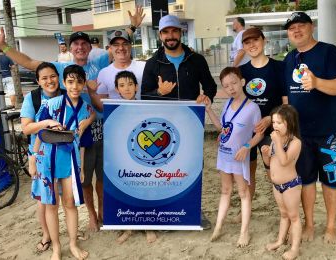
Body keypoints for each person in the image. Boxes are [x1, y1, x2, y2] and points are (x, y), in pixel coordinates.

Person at [0, 5, 146, 233]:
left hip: (99, 125)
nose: (80, 47)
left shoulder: (99, 61)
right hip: (73, 131)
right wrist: (3, 46)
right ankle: (91, 217)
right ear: (70, 49)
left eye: (84, 44)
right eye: (76, 44)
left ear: (90, 48)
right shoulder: (61, 68)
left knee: (103, 177)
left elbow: (118, 48)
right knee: (83, 179)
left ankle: (104, 213)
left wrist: (132, 27)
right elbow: (29, 62)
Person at [141, 14, 217, 229]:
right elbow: (144, 96)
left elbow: (210, 86)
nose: (171, 36)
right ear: (160, 35)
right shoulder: (153, 63)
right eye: (166, 32)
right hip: (162, 127)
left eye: (174, 31)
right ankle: (165, 212)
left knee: (192, 167)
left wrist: (206, 97)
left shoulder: (196, 59)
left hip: (191, 123)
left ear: (181, 33)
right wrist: (159, 92)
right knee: (164, 168)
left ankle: (193, 211)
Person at [283, 12, 336, 244]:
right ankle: (309, 224)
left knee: (332, 181)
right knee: (306, 181)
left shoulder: (329, 52)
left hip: (330, 132)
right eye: (291, 28)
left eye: (301, 26)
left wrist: (318, 82)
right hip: (301, 134)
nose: (296, 31)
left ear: (311, 27)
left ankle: (330, 226)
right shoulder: (290, 59)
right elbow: (287, 98)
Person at [29, 65, 93, 260]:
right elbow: (37, 132)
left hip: (71, 160)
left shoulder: (85, 108)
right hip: (47, 159)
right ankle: (56, 247)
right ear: (64, 83)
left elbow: (83, 142)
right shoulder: (51, 104)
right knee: (51, 204)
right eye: (70, 82)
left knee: (70, 203)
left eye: (79, 82)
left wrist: (80, 167)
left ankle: (73, 243)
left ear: (84, 84)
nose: (75, 86)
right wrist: (33, 159)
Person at [203, 67, 263, 246]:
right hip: (224, 155)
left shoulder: (253, 108)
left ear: (242, 82)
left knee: (244, 193)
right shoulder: (227, 104)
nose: (231, 88)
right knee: (225, 191)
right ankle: (218, 227)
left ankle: (244, 232)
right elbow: (223, 129)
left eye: (234, 83)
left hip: (239, 157)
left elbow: (259, 134)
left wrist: (247, 146)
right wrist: (209, 110)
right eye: (226, 86)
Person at [239, 27, 287, 215]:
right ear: (243, 46)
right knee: (248, 174)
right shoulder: (241, 71)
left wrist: (270, 118)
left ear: (264, 40)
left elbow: (285, 102)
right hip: (248, 131)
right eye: (247, 42)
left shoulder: (279, 67)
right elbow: (236, 101)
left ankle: (285, 212)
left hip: (271, 130)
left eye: (255, 40)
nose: (252, 45)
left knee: (274, 173)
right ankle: (246, 211)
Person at [110, 71, 157, 244]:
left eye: (130, 84)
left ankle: (148, 227)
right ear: (117, 89)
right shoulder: (114, 110)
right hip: (122, 158)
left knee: (145, 189)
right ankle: (128, 228)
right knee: (125, 191)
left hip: (142, 157)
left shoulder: (145, 107)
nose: (127, 88)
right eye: (122, 85)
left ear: (136, 86)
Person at [261, 104, 302, 260]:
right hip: (277, 186)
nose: (275, 126)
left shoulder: (295, 142)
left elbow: (284, 161)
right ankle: (280, 240)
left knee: (293, 216)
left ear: (289, 123)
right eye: (273, 122)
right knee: (283, 215)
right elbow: (271, 162)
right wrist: (266, 153)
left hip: (291, 185)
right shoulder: (274, 140)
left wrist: (277, 142)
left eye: (279, 123)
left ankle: (294, 249)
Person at [88, 30, 145, 111]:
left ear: (130, 46)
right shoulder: (104, 73)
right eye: (116, 45)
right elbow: (102, 107)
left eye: (125, 44)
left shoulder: (143, 67)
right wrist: (92, 93)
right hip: (116, 120)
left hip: (143, 119)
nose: (121, 48)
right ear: (110, 48)